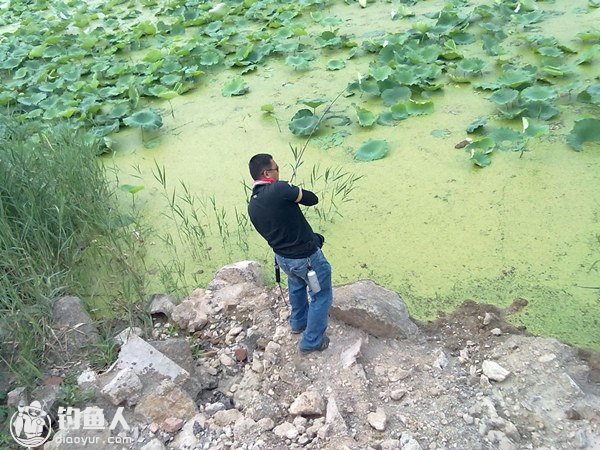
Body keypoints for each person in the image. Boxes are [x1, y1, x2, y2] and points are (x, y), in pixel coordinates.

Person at [247, 153, 332, 354]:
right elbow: (312, 199)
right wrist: (291, 188)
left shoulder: (253, 205)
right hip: (307, 258)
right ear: (267, 172)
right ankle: (311, 341)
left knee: (296, 286)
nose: (279, 172)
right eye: (277, 169)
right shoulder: (280, 188)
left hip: (283, 259)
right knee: (321, 295)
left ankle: (298, 323)